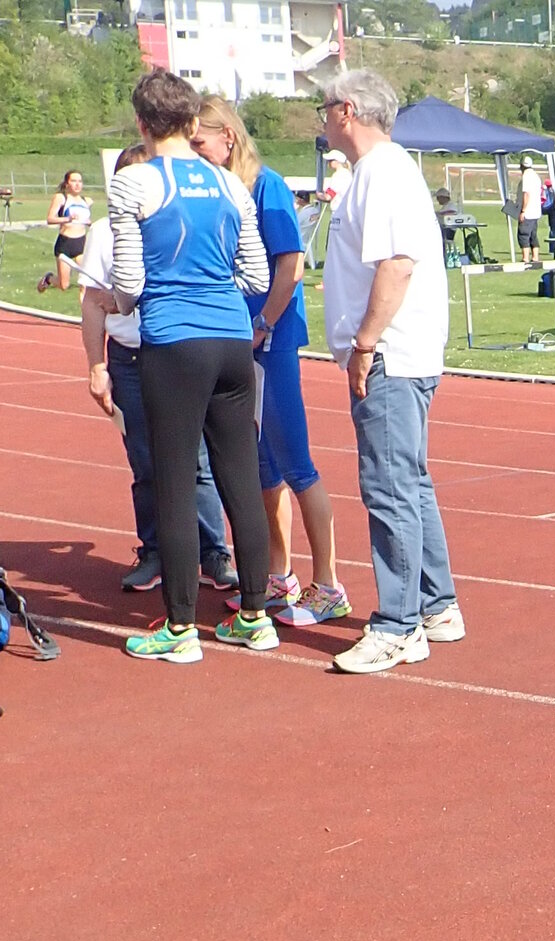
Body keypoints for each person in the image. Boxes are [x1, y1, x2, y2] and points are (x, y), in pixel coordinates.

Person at [108, 70, 276, 663]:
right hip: (232, 340)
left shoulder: (133, 182)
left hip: (174, 341)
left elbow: (128, 281)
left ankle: (180, 630)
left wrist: (123, 300)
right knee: (239, 476)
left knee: (175, 481)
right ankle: (254, 615)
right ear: (190, 121)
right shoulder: (231, 185)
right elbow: (256, 275)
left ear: (142, 124)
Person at [320, 70, 464, 675]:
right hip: (400, 354)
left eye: (324, 108)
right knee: (409, 480)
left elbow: (397, 264)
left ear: (347, 110)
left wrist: (366, 343)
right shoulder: (377, 172)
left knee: (389, 486)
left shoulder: (381, 172)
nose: (320, 119)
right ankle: (436, 604)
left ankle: (399, 625)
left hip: (391, 357)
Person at [193, 97, 350, 629]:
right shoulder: (217, 189)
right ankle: (279, 574)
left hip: (272, 341)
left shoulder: (267, 186)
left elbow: (291, 265)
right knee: (262, 468)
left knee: (296, 461)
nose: (195, 153)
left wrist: (265, 324)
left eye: (199, 143)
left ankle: (329, 584)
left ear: (227, 138)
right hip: (241, 341)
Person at [77, 143, 235, 594]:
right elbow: (92, 303)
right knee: (146, 462)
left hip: (179, 351)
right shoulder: (106, 233)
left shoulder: (179, 219)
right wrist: (96, 365)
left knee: (199, 459)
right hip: (130, 358)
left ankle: (212, 552)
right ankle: (155, 551)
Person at [39, 170, 92, 293]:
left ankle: (85, 311)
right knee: (64, 285)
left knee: (86, 281)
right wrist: (67, 219)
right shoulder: (61, 198)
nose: (77, 184)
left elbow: (87, 221)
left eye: (79, 181)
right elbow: (50, 219)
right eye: (73, 181)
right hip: (65, 244)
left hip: (81, 243)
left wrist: (89, 223)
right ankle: (49, 279)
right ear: (67, 183)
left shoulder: (87, 201)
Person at [515, 156, 543, 265]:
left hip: (528, 211)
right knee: (533, 235)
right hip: (536, 210)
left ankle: (525, 258)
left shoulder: (526, 176)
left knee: (523, 234)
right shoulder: (536, 176)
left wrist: (523, 211)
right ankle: (535, 257)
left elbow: (526, 194)